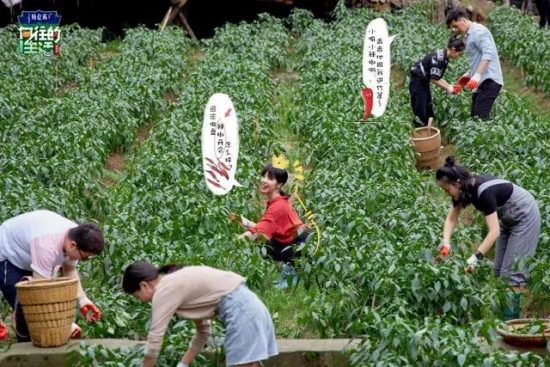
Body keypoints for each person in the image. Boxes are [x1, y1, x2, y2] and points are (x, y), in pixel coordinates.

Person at [436, 157, 541, 319]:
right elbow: (451, 219)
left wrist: (475, 258)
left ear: (457, 183)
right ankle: (504, 318)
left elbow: (494, 232)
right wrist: (446, 242)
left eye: (447, 190)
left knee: (511, 275)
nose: (446, 193)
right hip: (507, 217)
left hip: (525, 215)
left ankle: (510, 324)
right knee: (499, 271)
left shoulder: (483, 192)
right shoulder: (466, 189)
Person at [122, 261, 278, 367]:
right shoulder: (174, 283)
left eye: (137, 296)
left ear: (144, 286)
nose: (141, 301)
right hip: (251, 307)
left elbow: (154, 339)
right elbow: (203, 333)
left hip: (242, 312)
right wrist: (183, 364)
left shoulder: (164, 290)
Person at [0, 210, 104, 342]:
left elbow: (70, 270)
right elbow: (40, 291)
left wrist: (83, 300)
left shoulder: (75, 236)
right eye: (84, 258)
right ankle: (25, 347)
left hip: (29, 254)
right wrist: (64, 325)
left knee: (32, 305)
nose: (83, 261)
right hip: (7, 254)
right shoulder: (47, 245)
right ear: (73, 245)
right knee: (26, 304)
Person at [229, 160, 309, 287]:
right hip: (298, 243)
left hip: (300, 247)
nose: (263, 180)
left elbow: (259, 232)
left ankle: (293, 271)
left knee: (259, 244)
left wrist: (232, 244)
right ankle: (291, 268)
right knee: (263, 239)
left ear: (279, 184)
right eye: (263, 176)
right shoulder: (278, 202)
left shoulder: (277, 207)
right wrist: (243, 221)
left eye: (270, 178)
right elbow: (267, 227)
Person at [447, 8, 504, 120]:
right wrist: (468, 75)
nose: (455, 30)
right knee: (475, 117)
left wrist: (477, 75)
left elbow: (488, 53)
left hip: (489, 80)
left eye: (456, 26)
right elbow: (478, 58)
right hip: (482, 82)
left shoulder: (478, 32)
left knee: (480, 118)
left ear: (463, 20)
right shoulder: (469, 36)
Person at [409, 36, 465, 127]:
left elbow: (437, 77)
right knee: (420, 111)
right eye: (460, 54)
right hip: (417, 83)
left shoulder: (444, 58)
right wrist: (448, 88)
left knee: (428, 108)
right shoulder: (438, 59)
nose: (459, 56)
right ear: (454, 50)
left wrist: (449, 86)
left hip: (423, 82)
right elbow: (434, 79)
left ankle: (428, 131)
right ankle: (419, 135)